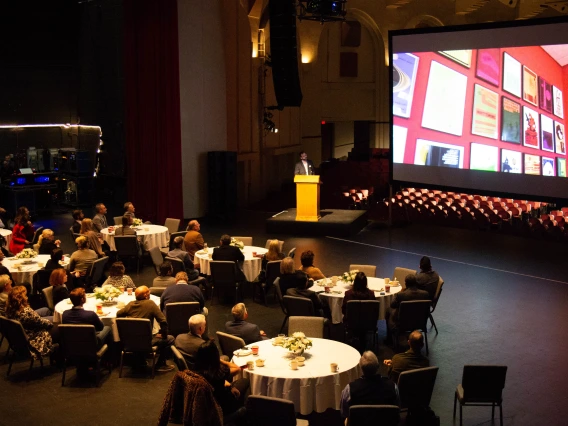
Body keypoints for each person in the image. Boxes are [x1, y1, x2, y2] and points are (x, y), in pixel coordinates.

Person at [116, 285, 175, 372]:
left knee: (138, 335)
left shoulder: (130, 304)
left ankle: (139, 362)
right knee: (170, 338)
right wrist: (163, 334)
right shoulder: (150, 304)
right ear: (146, 296)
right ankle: (161, 365)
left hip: (129, 341)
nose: (149, 293)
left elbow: (119, 314)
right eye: (148, 292)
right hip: (147, 341)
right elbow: (163, 321)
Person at [194, 340, 250, 418]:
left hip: (207, 405)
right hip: (223, 405)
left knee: (230, 384)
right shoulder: (218, 372)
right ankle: (245, 410)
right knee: (245, 381)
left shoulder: (196, 371)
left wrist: (228, 384)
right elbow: (237, 368)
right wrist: (221, 360)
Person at [340, 351, 399, 421]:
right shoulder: (393, 386)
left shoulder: (349, 389)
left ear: (361, 368)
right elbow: (397, 409)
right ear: (378, 367)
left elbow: (344, 413)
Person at [5, 286, 56, 359]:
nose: (27, 297)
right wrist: (53, 323)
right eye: (25, 295)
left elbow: (36, 320)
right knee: (58, 323)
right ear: (21, 298)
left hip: (28, 330)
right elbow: (44, 324)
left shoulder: (10, 309)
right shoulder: (26, 312)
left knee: (46, 311)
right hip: (35, 338)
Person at [386, 274, 429, 343]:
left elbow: (392, 305)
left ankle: (389, 339)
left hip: (402, 324)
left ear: (405, 284)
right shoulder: (425, 294)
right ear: (416, 283)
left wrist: (398, 294)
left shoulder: (401, 295)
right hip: (420, 322)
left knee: (388, 310)